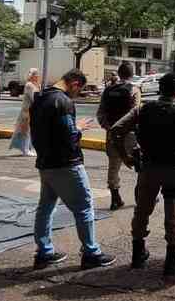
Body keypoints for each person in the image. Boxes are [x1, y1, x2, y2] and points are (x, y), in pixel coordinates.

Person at [110, 73, 175, 274]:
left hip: (148, 168)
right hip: (173, 169)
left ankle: (138, 253)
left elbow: (116, 130)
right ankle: (172, 259)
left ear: (160, 89)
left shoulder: (142, 110)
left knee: (142, 209)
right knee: (173, 212)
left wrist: (125, 158)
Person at [30, 69, 116, 270]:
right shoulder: (63, 102)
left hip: (45, 162)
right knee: (84, 207)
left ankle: (44, 251)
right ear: (75, 83)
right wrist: (78, 129)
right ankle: (91, 253)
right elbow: (69, 137)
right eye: (80, 90)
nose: (77, 94)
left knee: (45, 207)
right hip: (66, 163)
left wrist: (72, 127)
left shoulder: (40, 97)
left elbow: (45, 129)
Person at [97, 62, 141, 210]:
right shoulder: (134, 89)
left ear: (119, 73)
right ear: (132, 74)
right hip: (129, 134)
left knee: (113, 167)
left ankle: (115, 198)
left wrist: (110, 128)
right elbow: (136, 113)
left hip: (112, 135)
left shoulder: (108, 90)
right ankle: (141, 196)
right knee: (140, 165)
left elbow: (100, 114)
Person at [10, 68, 40, 156]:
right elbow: (33, 98)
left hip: (33, 110)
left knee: (29, 130)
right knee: (26, 130)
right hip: (27, 111)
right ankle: (26, 150)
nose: (38, 76)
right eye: (36, 74)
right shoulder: (29, 85)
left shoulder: (36, 84)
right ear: (33, 75)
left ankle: (28, 149)